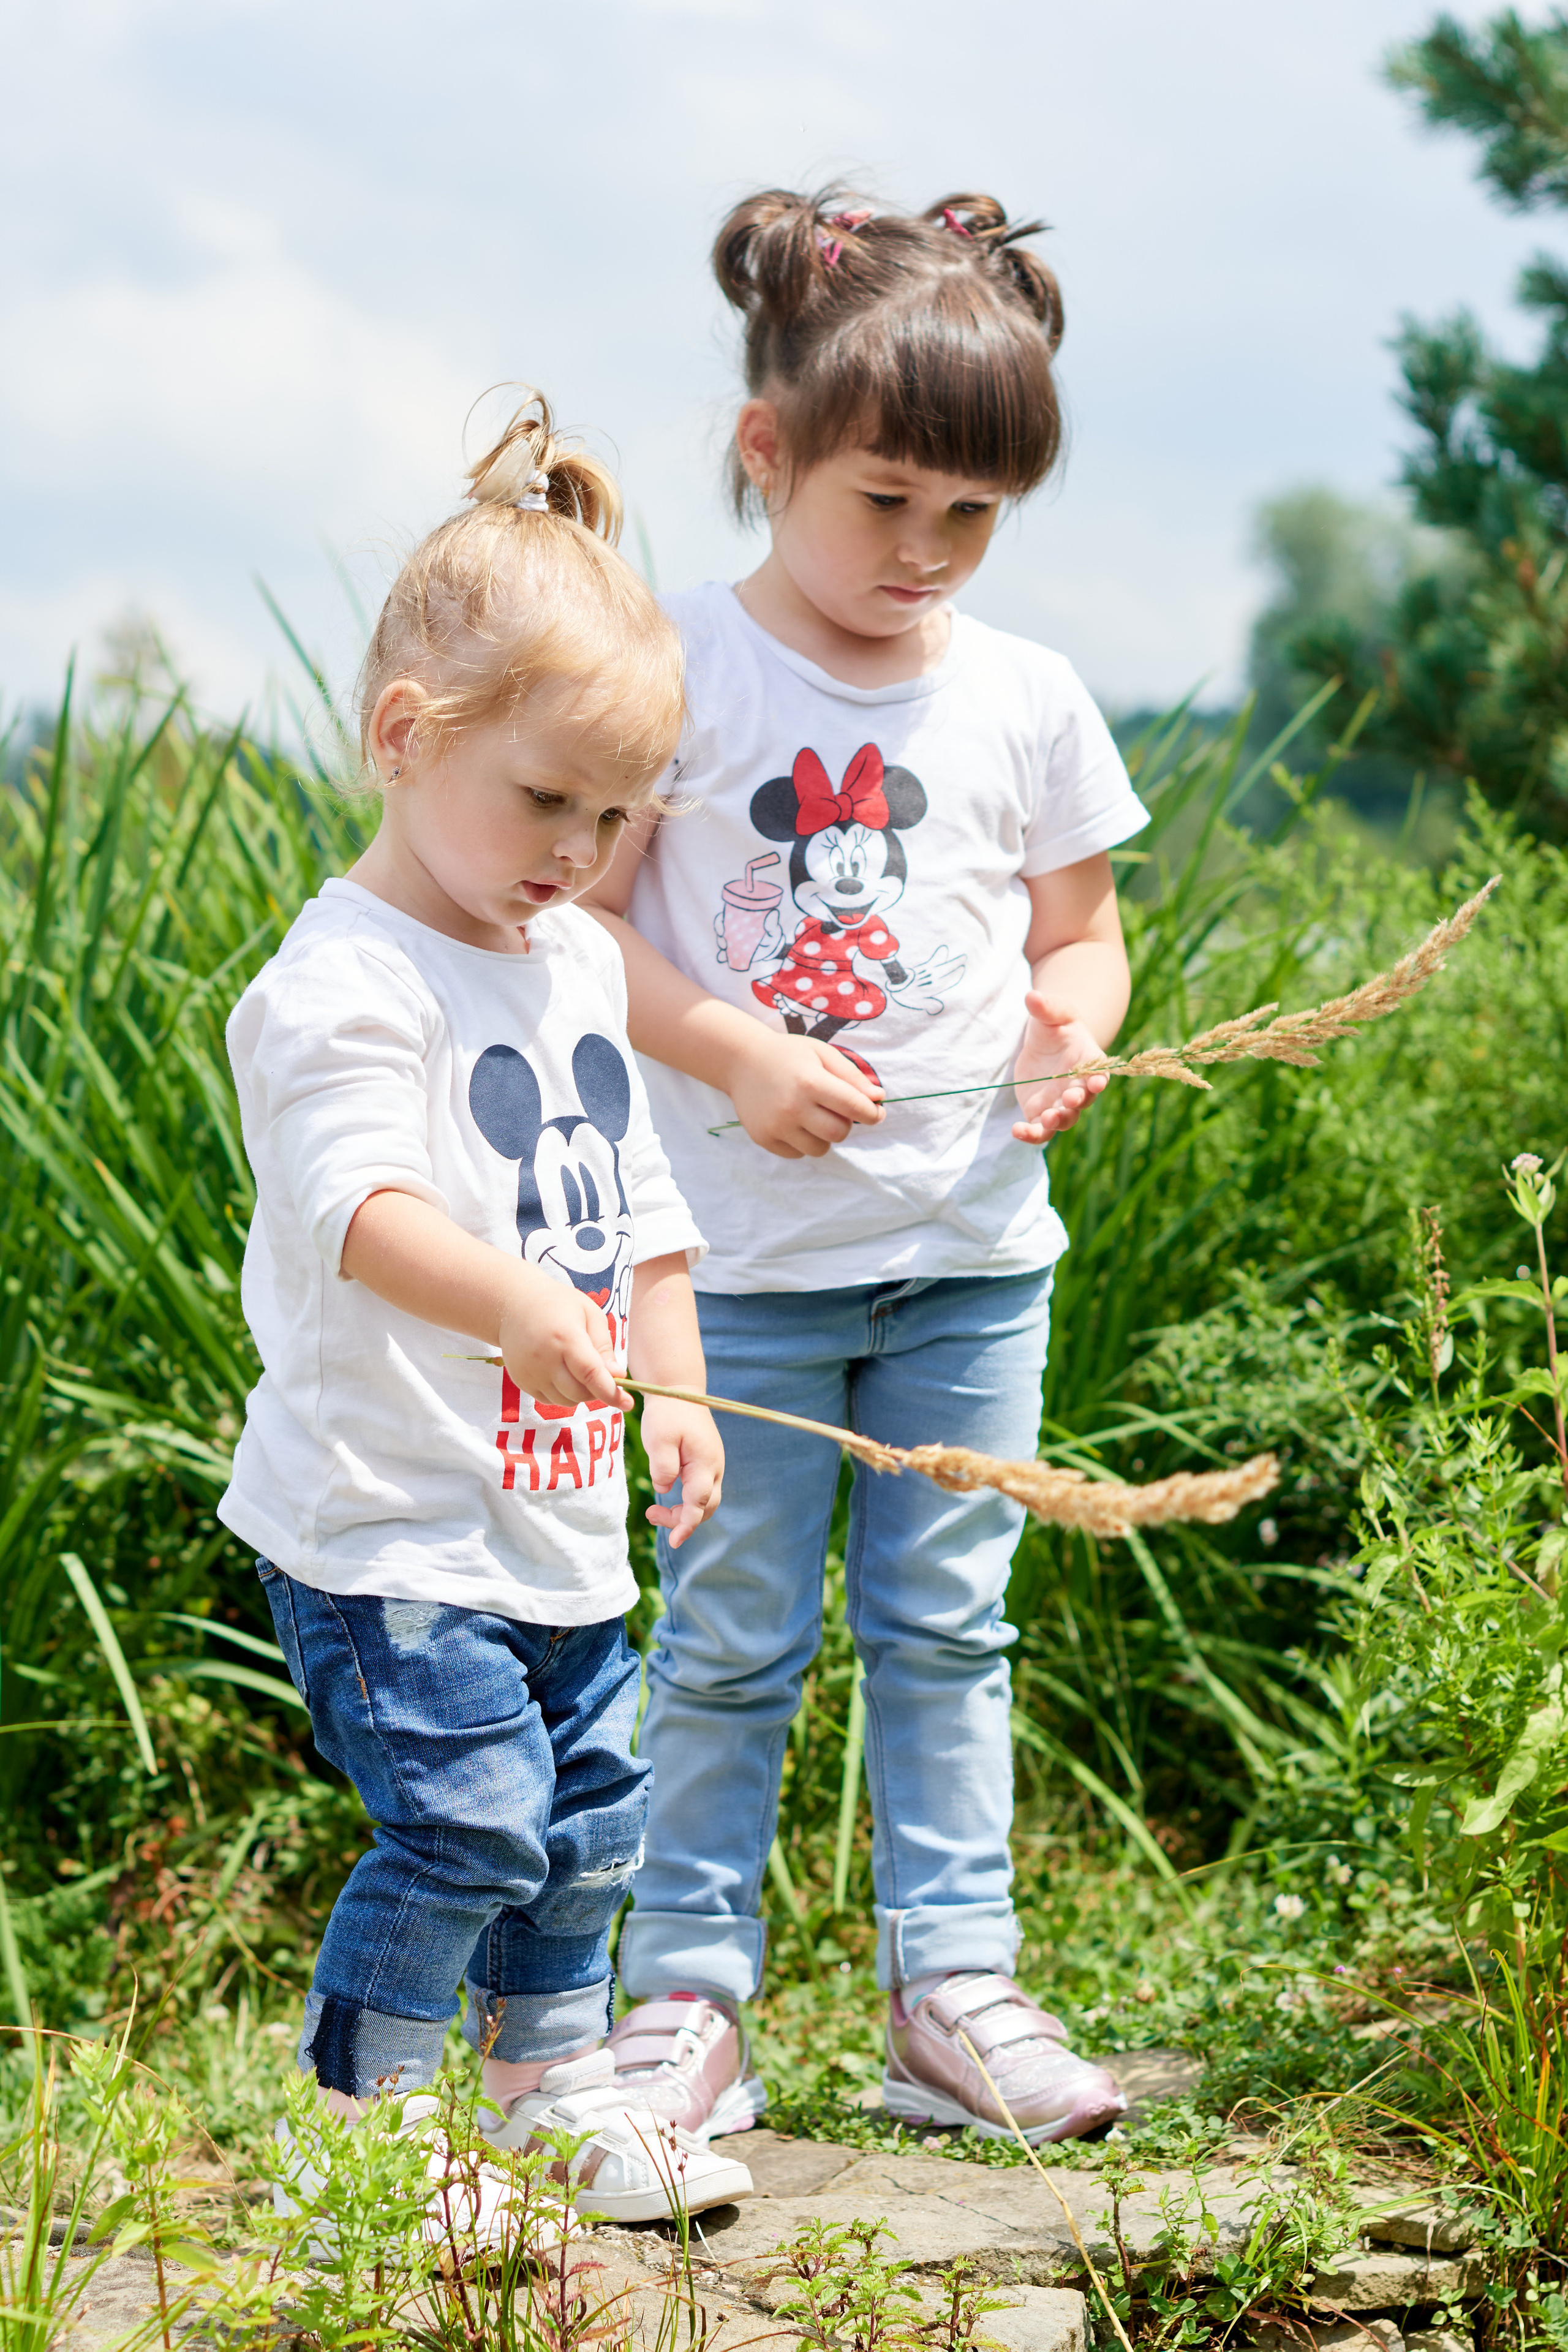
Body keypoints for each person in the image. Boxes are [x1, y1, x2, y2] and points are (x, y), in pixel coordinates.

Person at [586, 190, 1150, 2147]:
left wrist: (1072, 1024)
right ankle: (680, 2002)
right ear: (772, 453)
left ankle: (953, 1988)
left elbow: (1081, 930)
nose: (924, 555)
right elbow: (581, 930)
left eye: (969, 517)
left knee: (950, 1627)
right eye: (886, 500)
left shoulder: (1024, 699)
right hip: (731, 1265)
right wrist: (735, 1050)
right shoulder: (672, 679)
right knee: (730, 1633)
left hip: (975, 1259)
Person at [217, 393, 753, 2226]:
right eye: (545, 800)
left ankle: (552, 2090)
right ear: (403, 735)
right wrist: (519, 1298)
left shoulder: (581, 964)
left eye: (613, 817)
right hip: (389, 1515)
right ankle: (362, 2129)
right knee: (463, 1821)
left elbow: (645, 1214)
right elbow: (356, 1212)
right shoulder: (345, 982)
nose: (578, 850)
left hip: (552, 1514)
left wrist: (670, 1390)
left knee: (588, 1817)